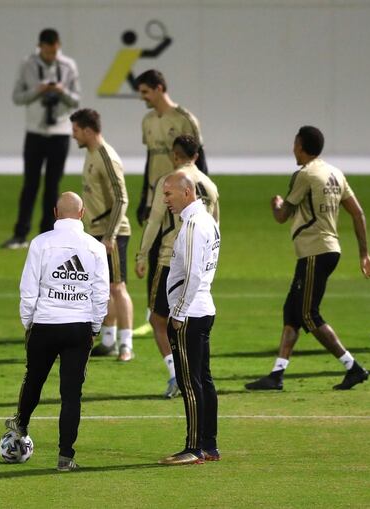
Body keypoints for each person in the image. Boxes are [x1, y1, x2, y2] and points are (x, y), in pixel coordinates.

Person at [245, 126, 370, 392]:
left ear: (302, 147)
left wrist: (276, 204)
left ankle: (353, 367)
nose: (293, 149)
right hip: (328, 249)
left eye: (295, 144)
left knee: (307, 314)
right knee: (291, 312)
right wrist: (364, 253)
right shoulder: (335, 173)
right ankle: (276, 374)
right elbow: (358, 213)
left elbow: (282, 217)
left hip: (315, 251)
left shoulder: (304, 175)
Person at [5, 192, 109, 472]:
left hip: (46, 324)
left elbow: (28, 288)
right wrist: (95, 327)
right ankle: (66, 456)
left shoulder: (41, 243)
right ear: (82, 212)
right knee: (72, 394)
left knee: (34, 379)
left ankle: (21, 422)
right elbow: (101, 294)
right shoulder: (95, 248)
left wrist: (28, 322)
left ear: (54, 212)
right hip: (78, 327)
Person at [136, 135, 219, 398]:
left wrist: (141, 254)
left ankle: (177, 375)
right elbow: (217, 228)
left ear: (175, 155)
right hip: (203, 263)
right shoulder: (210, 185)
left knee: (159, 320)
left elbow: (154, 222)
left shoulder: (169, 181)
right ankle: (188, 376)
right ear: (196, 155)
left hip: (170, 259)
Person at [134, 69, 206, 338]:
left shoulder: (185, 119)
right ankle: (155, 313)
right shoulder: (148, 121)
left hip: (181, 199)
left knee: (179, 253)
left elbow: (200, 161)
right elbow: (149, 160)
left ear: (160, 88)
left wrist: (200, 198)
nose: (143, 98)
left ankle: (184, 310)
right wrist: (145, 197)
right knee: (154, 254)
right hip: (157, 197)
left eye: (145, 92)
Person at [157, 171, 220, 466]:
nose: (165, 199)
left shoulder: (193, 225)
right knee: (203, 380)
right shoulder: (207, 221)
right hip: (203, 308)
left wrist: (178, 313)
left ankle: (194, 448)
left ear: (187, 192)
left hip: (190, 314)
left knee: (190, 383)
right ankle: (209, 444)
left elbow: (193, 273)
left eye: (168, 194)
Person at [2, 28, 82, 249]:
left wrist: (61, 91)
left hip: (60, 132)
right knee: (30, 184)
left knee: (52, 186)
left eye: (54, 51)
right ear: (40, 47)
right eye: (47, 52)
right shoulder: (28, 64)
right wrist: (38, 90)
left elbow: (76, 100)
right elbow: (17, 97)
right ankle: (20, 234)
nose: (51, 56)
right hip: (35, 132)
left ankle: (47, 234)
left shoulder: (68, 66)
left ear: (58, 46)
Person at [70, 109, 134, 361]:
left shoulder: (107, 157)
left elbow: (121, 198)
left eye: (75, 130)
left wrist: (110, 235)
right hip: (96, 231)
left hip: (111, 233)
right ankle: (108, 339)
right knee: (102, 287)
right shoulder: (91, 154)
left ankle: (126, 345)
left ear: (87, 130)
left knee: (118, 287)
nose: (73, 135)